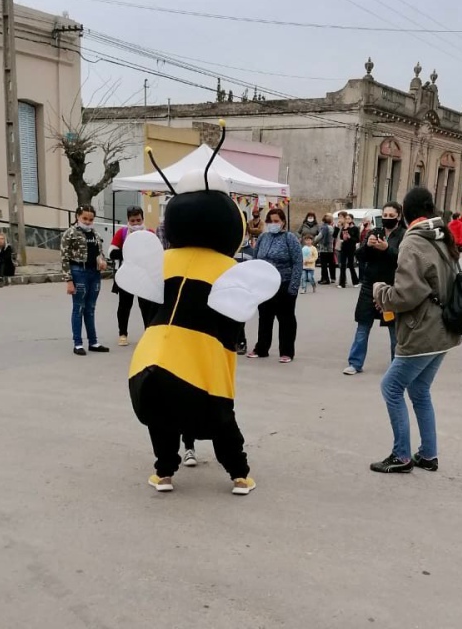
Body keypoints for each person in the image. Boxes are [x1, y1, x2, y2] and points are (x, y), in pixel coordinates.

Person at [115, 128, 280, 494]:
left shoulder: (163, 259)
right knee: (220, 416)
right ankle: (239, 475)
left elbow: (148, 301)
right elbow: (237, 318)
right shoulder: (229, 267)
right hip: (200, 358)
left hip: (150, 357)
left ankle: (164, 473)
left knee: (161, 416)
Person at [370, 187, 461, 474]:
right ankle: (428, 454)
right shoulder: (441, 235)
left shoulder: (413, 242)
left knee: (391, 387)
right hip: (445, 328)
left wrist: (381, 291)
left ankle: (402, 455)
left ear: (406, 213)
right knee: (420, 390)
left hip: (422, 329)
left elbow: (407, 294)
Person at [343, 201, 405, 376]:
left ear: (399, 217)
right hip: (369, 286)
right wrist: (368, 246)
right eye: (385, 216)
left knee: (394, 329)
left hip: (391, 288)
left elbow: (403, 259)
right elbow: (360, 256)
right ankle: (355, 363)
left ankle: (397, 367)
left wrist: (387, 249)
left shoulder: (404, 235)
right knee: (363, 325)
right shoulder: (374, 232)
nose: (387, 219)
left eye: (391, 216)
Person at [247, 208, 303, 363]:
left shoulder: (289, 238)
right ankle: (261, 348)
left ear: (283, 222)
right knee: (265, 317)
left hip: (284, 284)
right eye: (270, 221)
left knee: (286, 319)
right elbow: (255, 260)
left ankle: (286, 352)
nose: (273, 224)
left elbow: (298, 263)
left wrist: (294, 286)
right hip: (264, 285)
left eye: (276, 221)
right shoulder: (263, 238)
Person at [61, 205, 110, 356]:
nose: (88, 222)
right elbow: (64, 258)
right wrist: (69, 280)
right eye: (85, 218)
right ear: (77, 217)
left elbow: (99, 252)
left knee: (90, 308)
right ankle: (78, 343)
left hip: (94, 273)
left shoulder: (94, 233)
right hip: (78, 272)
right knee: (78, 308)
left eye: (91, 219)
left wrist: (103, 262)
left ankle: (93, 341)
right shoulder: (70, 233)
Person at [110, 206, 158, 347]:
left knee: (147, 306)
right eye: (133, 221)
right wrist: (129, 253)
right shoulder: (122, 233)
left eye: (138, 220)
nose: (136, 223)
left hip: (144, 275)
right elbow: (112, 252)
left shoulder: (149, 233)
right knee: (124, 305)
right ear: (128, 220)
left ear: (143, 219)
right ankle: (122, 333)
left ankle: (148, 332)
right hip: (127, 276)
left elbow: (156, 252)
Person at [338, 213, 360, 288]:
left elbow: (357, 240)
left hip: (351, 248)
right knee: (343, 265)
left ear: (352, 219)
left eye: (349, 219)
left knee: (351, 265)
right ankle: (342, 283)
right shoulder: (344, 227)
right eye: (346, 219)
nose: (347, 220)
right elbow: (341, 237)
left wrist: (350, 237)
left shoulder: (355, 228)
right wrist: (344, 230)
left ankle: (355, 282)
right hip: (344, 248)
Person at [315, 214, 335, 284]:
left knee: (323, 265)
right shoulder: (332, 228)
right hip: (330, 248)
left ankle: (325, 279)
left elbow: (319, 237)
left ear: (324, 221)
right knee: (330, 264)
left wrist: (315, 239)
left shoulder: (324, 228)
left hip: (323, 248)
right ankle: (327, 278)